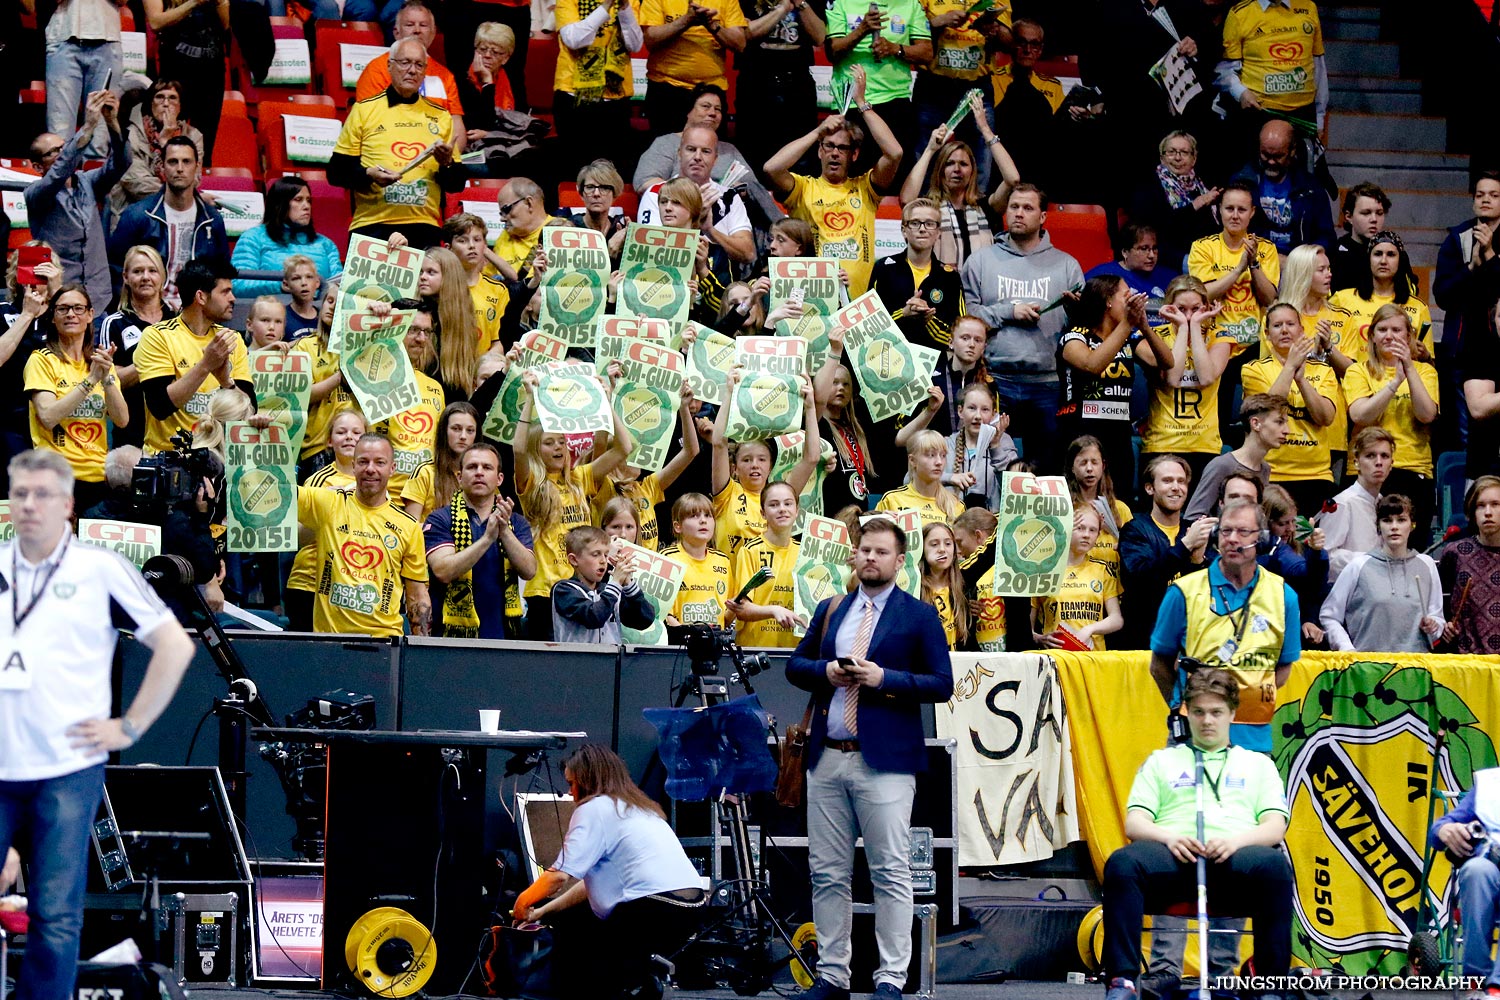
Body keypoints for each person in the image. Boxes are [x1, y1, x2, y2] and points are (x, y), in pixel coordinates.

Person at [0, 449, 194, 1000]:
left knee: (57, 916)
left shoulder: (99, 569)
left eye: (43, 495)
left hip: (67, 764)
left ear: (68, 504)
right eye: (20, 494)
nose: (30, 506)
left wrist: (129, 727)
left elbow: (174, 646)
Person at [786, 516, 953, 1000]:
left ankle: (890, 978)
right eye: (864, 551)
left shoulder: (919, 616)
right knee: (828, 871)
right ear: (853, 555)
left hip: (886, 762)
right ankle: (833, 975)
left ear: (900, 562)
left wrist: (885, 679)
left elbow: (941, 684)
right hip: (828, 757)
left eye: (881, 552)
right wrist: (827, 672)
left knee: (890, 870)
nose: (870, 559)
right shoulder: (831, 608)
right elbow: (796, 666)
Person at [1099, 669, 1292, 1000]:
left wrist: (1236, 841)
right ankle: (1123, 982)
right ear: (1186, 711)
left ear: (1233, 713)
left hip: (1234, 859)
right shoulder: (1161, 761)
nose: (1207, 721)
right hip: (1176, 859)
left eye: (1216, 712)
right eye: (1198, 712)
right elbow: (1135, 823)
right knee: (1122, 863)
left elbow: (1275, 826)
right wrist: (1169, 837)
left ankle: (1270, 984)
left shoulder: (1258, 765)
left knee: (1275, 866)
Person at [512, 745, 705, 1000]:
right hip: (691, 907)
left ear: (588, 780)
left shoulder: (594, 809)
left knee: (577, 948)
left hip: (650, 908)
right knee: (585, 926)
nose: (570, 792)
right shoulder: (639, 807)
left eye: (572, 783)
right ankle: (639, 980)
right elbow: (590, 885)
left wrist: (523, 902)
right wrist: (545, 911)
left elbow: (558, 877)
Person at [1150, 498, 1302, 752]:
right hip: (1192, 740)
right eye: (1226, 531)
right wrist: (1188, 706)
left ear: (1262, 539)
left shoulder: (1284, 595)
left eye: (1243, 532)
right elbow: (1159, 665)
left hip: (1254, 741)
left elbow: (1284, 668)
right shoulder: (1184, 592)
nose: (1232, 539)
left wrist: (1243, 695)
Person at [961, 183, 1086, 469]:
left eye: (1028, 208)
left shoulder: (1066, 265)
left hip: (1047, 383)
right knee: (986, 465)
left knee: (1045, 468)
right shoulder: (980, 261)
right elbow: (967, 317)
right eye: (1014, 207)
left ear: (1043, 217)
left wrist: (1075, 313)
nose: (1018, 213)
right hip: (993, 379)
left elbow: (1081, 329)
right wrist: (1009, 312)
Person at [764, 67, 904, 296]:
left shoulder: (865, 188)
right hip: (809, 297)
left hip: (856, 304)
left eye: (842, 148)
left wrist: (862, 103)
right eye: (828, 146)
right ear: (820, 151)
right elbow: (772, 168)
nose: (835, 153)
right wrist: (817, 132)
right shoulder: (803, 188)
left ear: (854, 154)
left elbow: (895, 153)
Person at [515, 371, 632, 638]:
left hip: (584, 588)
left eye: (562, 441)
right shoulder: (532, 483)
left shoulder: (581, 477)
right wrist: (530, 400)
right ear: (537, 449)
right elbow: (518, 450)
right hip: (546, 593)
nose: (558, 447)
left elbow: (624, 448)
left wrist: (606, 401)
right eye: (549, 442)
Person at [330, 38, 465, 249]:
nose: (412, 70)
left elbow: (456, 183)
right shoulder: (364, 110)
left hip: (424, 228)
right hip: (372, 226)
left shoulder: (441, 117)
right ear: (389, 66)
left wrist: (447, 163)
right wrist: (368, 175)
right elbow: (336, 172)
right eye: (405, 63)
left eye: (419, 65)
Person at [298, 433, 431, 637]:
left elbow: (417, 596)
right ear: (353, 466)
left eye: (380, 462)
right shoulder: (329, 503)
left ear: (392, 468)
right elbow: (276, 490)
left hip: (385, 644)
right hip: (330, 642)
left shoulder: (409, 526)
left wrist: (421, 649)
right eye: (363, 461)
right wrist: (260, 436)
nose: (371, 469)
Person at [24, 284, 128, 511]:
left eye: (78, 308)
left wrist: (106, 377)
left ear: (91, 315)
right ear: (52, 317)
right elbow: (48, 416)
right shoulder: (42, 360)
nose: (71, 314)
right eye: (63, 309)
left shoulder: (100, 362)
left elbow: (121, 420)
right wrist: (91, 381)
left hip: (98, 478)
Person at [135, 257, 253, 455]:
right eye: (225, 292)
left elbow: (250, 409)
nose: (233, 298)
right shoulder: (158, 336)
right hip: (168, 457)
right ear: (201, 297)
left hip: (220, 457)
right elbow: (160, 407)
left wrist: (226, 381)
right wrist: (205, 366)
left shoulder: (232, 340)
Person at [1057, 275, 1165, 488]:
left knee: (1120, 504)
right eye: (1126, 295)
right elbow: (1092, 365)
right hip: (1080, 431)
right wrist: (1127, 323)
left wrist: (1143, 326)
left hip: (1119, 435)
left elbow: (1163, 361)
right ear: (1108, 301)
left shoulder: (1129, 339)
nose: (1132, 300)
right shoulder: (1075, 337)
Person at [26, 90, 128, 313]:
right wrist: (88, 126)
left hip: (98, 298)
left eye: (65, 147)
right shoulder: (36, 193)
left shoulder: (88, 181)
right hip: (57, 299)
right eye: (55, 151)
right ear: (36, 166)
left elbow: (122, 162)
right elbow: (59, 170)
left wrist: (112, 123)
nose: (65, 153)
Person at [1342, 304, 1439, 540]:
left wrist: (1408, 369)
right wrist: (1394, 383)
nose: (1389, 336)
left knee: (1410, 549)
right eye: (1382, 329)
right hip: (1366, 472)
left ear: (1409, 336)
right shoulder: (1357, 371)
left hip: (1413, 469)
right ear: (1372, 336)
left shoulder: (1425, 371)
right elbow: (1361, 415)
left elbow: (1426, 414)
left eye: (1396, 330)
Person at [1239, 302, 1341, 514]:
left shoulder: (1324, 371)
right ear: (1267, 333)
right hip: (1271, 473)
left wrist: (1302, 381)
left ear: (1302, 330)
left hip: (1317, 475)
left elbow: (1326, 417)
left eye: (1290, 324)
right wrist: (1290, 367)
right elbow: (1266, 410)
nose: (1284, 330)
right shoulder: (1253, 369)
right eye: (1277, 326)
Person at [634, 86, 783, 226]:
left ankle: (783, 231)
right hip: (679, 217)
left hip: (729, 215)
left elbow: (753, 188)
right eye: (706, 106)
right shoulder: (666, 143)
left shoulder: (729, 149)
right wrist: (693, 198)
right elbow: (646, 183)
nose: (712, 113)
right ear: (689, 111)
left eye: (718, 109)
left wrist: (736, 191)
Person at [1135, 276, 1232, 488]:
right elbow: (1172, 377)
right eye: (1181, 309)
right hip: (1162, 444)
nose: (1188, 316)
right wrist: (1183, 330)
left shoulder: (1220, 337)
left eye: (1196, 308)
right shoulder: (1152, 338)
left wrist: (1195, 328)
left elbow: (1206, 377)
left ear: (1206, 306)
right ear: (1169, 307)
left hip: (1205, 445)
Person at [109, 137, 229, 307]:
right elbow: (116, 268)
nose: (180, 169)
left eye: (186, 162)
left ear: (197, 166)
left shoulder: (212, 219)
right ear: (162, 167)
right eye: (173, 162)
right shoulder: (137, 216)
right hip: (148, 311)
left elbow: (222, 273)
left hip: (196, 312)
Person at [711, 373, 820, 553]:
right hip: (731, 580)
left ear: (770, 467)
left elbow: (811, 458)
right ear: (734, 468)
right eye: (747, 460)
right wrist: (729, 393)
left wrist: (810, 408)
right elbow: (718, 443)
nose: (755, 465)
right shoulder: (727, 493)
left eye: (762, 459)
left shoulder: (779, 494)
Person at [1320, 494, 1443, 652]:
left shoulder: (1426, 565)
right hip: (1368, 668)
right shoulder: (1358, 566)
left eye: (1401, 520)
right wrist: (1347, 650)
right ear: (1378, 526)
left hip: (1416, 667)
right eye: (1387, 520)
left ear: (1412, 525)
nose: (1394, 527)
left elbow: (1437, 619)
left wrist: (1434, 626)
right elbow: (1329, 615)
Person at [898, 111, 1018, 270]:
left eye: (963, 164)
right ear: (940, 170)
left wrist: (985, 130)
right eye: (949, 163)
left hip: (981, 290)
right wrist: (930, 150)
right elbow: (906, 199)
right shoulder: (929, 209)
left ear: (972, 171)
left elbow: (1012, 179)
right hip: (941, 290)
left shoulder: (986, 206)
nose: (957, 169)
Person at [1119, 454, 1215, 650]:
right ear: (1149, 488)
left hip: (1187, 641)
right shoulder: (1135, 530)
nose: (1176, 487)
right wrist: (1186, 545)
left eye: (1181, 481)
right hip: (1143, 642)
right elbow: (1142, 579)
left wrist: (1198, 562)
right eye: (1167, 480)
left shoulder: (1193, 530)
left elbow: (1205, 594)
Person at [285, 409, 367, 631]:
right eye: (341, 432)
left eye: (356, 432)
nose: (349, 437)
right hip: (309, 585)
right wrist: (329, 506)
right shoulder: (319, 480)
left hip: (351, 589)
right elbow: (298, 538)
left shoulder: (374, 484)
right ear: (329, 441)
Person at [592, 380, 699, 551]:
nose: (640, 456)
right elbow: (599, 446)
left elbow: (690, 451)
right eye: (632, 452)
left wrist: (684, 408)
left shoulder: (647, 486)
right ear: (613, 462)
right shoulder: (602, 488)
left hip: (646, 573)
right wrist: (607, 402)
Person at [825, 0, 931, 170]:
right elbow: (833, 51)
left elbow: (926, 52)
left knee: (896, 176)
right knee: (851, 176)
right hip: (851, 105)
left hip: (895, 103)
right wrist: (862, 29)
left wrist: (895, 48)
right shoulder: (842, 2)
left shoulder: (910, 4)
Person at [1440, 171, 1500, 466]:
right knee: (1468, 434)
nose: (1486, 199)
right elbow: (1443, 294)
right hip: (1466, 348)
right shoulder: (1457, 238)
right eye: (1480, 195)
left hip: (1498, 344)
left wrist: (1490, 257)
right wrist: (1472, 268)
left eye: (1494, 195)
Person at [637, 125, 756, 268]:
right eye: (691, 149)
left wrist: (710, 230)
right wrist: (694, 221)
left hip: (721, 284)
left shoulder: (729, 197)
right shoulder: (656, 192)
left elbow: (748, 254)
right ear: (680, 153)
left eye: (706, 151)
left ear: (715, 159)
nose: (698, 157)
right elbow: (651, 250)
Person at [733, 0, 826, 180]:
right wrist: (783, 9)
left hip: (798, 85)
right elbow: (745, 33)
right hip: (756, 83)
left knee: (800, 160)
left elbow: (820, 36)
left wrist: (799, 3)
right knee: (753, 158)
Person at [1427, 761, 1500, 992]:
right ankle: (1475, 982)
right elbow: (1439, 830)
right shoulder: (1492, 785)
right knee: (1476, 870)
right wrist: (1445, 830)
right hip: (1490, 876)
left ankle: (1496, 987)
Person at [1214, 0, 1327, 147]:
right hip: (1259, 113)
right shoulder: (1240, 13)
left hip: (1303, 114)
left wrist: (1319, 117)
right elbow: (1224, 71)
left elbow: (1318, 67)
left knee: (1310, 169)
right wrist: (1241, 93)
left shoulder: (1308, 7)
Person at [355, 1, 468, 144]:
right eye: (409, 25)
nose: (417, 30)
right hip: (391, 150)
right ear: (396, 32)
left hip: (437, 156)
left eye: (423, 25)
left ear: (433, 33)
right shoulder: (376, 69)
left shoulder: (445, 76)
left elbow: (456, 128)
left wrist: (449, 159)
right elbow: (369, 123)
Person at [1187, 180, 1279, 357]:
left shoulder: (1266, 248)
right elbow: (1203, 295)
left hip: (1254, 345)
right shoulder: (1202, 247)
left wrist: (1253, 265)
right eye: (1229, 208)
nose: (1235, 215)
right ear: (1219, 209)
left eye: (1242, 210)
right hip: (1214, 342)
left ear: (1252, 212)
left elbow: (1268, 298)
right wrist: (1238, 270)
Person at [553, 0, 644, 170]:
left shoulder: (629, 2)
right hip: (574, 97)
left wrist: (624, 8)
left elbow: (635, 44)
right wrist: (606, 6)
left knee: (612, 169)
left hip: (615, 99)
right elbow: (575, 39)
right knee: (573, 167)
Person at [868, 198, 966, 352]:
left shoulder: (950, 277)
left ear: (938, 232)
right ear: (903, 230)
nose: (922, 229)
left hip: (934, 366)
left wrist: (929, 320)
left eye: (929, 223)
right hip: (887, 359)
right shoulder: (883, 269)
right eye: (914, 223)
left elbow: (959, 337)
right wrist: (904, 313)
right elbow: (868, 326)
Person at [99, 246, 172, 450]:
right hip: (131, 434)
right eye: (138, 271)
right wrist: (153, 361)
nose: (145, 277)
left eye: (152, 270)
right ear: (125, 277)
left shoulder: (178, 320)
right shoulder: (114, 323)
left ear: (163, 277)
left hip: (174, 433)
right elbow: (109, 381)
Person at [639, 0, 748, 134]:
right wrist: (686, 20)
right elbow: (650, 40)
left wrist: (712, 24)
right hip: (666, 88)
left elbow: (739, 44)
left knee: (710, 149)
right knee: (665, 149)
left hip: (712, 91)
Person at [1229, 119, 1334, 256]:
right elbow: (1229, 231)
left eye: (1278, 156)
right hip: (1252, 259)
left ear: (1292, 151)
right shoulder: (1242, 183)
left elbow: (1326, 237)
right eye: (1265, 154)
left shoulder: (1311, 188)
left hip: (1298, 263)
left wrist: (1301, 260)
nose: (1271, 161)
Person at [1328, 231, 1434, 364]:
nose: (1383, 261)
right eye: (1378, 254)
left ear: (1400, 260)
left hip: (1402, 382)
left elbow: (1430, 370)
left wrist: (1425, 357)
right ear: (1369, 259)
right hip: (1352, 382)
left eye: (1391, 255)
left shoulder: (1418, 307)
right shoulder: (1342, 299)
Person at [230, 176, 344, 299]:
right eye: (298, 199)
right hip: (269, 312)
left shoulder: (326, 244)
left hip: (319, 313)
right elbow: (238, 285)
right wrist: (281, 286)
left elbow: (339, 287)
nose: (306, 206)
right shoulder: (252, 238)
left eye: (308, 200)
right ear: (280, 205)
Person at [144, 0, 228, 165]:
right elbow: (155, 22)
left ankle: (197, 185)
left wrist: (221, 3)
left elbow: (224, 26)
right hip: (175, 72)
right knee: (169, 138)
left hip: (212, 72)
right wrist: (193, 3)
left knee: (205, 145)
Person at [723, 480, 803, 646]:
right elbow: (742, 609)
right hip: (755, 650)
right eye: (774, 505)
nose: (782, 509)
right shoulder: (750, 551)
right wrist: (774, 610)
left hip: (796, 651)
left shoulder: (806, 554)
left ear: (797, 511)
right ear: (763, 513)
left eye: (788, 503)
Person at [1128, 131, 1220, 273]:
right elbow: (1156, 229)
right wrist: (1194, 206)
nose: (1177, 158)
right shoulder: (1149, 188)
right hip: (1167, 255)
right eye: (1171, 152)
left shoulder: (1202, 185)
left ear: (1194, 159)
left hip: (1204, 252)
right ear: (1162, 158)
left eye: (1184, 152)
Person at [1034, 503, 1123, 650]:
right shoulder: (1044, 571)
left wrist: (1089, 629)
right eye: (1080, 528)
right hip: (1057, 658)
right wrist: (1039, 638)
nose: (1086, 535)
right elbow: (1027, 628)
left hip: (1093, 658)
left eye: (1093, 530)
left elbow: (1116, 619)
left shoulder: (1102, 569)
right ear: (1067, 528)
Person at [989, 19, 1064, 193]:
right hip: (1000, 166)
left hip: (1040, 166)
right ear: (1010, 44)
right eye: (1021, 42)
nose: (1027, 50)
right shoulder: (992, 79)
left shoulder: (1053, 86)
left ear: (1041, 50)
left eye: (1034, 44)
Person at [1184, 392, 1286, 520]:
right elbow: (1193, 516)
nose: (1287, 430)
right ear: (1255, 423)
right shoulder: (1222, 465)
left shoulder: (1265, 468)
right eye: (1279, 422)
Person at [43, 0, 122, 158]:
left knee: (100, 136)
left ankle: (93, 181)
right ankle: (60, 182)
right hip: (64, 38)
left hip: (107, 40)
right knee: (60, 135)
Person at [114, 80, 205, 215]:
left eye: (172, 98)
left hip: (178, 210)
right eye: (160, 97)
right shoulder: (130, 135)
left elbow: (194, 179)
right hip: (134, 209)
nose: (166, 104)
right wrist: (182, 196)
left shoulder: (194, 136)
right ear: (151, 104)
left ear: (180, 106)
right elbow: (137, 184)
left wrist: (166, 143)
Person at [551, 526, 653, 643]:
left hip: (612, 661)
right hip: (577, 660)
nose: (603, 561)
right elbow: (594, 617)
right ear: (574, 560)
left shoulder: (610, 591)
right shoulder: (563, 590)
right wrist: (615, 583)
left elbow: (645, 620)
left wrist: (629, 585)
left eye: (606, 555)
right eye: (595, 554)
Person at [1321, 426, 1393, 584]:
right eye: (1370, 456)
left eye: (1385, 456)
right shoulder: (1342, 503)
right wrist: (1370, 560)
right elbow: (1327, 556)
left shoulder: (1383, 503)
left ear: (1391, 464)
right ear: (1356, 462)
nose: (1379, 462)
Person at [1440, 476, 1500, 654]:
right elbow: (1439, 604)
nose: (1487, 512)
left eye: (1495, 504)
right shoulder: (1455, 553)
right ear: (1471, 512)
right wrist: (1445, 625)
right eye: (1480, 505)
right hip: (1467, 663)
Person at [660, 492, 737, 625]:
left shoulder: (723, 561)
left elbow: (726, 617)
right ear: (678, 526)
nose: (703, 520)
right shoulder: (667, 558)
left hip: (715, 642)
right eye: (694, 516)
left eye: (708, 515)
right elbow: (662, 613)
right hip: (680, 643)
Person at [1276, 243, 1352, 375]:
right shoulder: (1276, 318)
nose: (1329, 274)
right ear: (1302, 274)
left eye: (1328, 269)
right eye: (1321, 269)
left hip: (1333, 394)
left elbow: (1352, 373)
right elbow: (1270, 368)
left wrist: (1329, 347)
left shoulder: (1343, 316)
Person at [1086, 224, 1181, 328]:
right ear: (1125, 252)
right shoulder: (1102, 275)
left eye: (1154, 248)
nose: (1151, 255)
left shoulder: (1170, 277)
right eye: (1144, 249)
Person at [1066, 434, 1132, 571]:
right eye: (1083, 463)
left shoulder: (1121, 509)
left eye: (1094, 462)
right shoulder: (1064, 508)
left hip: (1113, 586)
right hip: (1074, 587)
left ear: (1103, 466)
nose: (1089, 468)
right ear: (1072, 467)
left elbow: (1135, 553)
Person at [876, 430, 964, 526]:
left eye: (943, 455)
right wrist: (882, 526)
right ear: (912, 460)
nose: (939, 462)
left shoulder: (957, 506)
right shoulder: (892, 500)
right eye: (931, 455)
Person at [491, 178, 568, 278]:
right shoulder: (505, 235)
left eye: (506, 209)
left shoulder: (562, 232)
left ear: (529, 203)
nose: (502, 218)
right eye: (501, 213)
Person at [456, 22, 516, 145]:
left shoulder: (512, 82)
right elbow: (478, 127)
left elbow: (517, 123)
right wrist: (487, 83)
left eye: (495, 52)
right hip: (471, 147)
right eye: (482, 50)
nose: (487, 55)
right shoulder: (461, 81)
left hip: (503, 143)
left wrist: (490, 135)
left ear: (506, 58)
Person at [566, 160, 631, 264]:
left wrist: (630, 243)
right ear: (581, 194)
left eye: (604, 188)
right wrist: (608, 253)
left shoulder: (619, 231)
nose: (596, 193)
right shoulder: (569, 229)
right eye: (590, 187)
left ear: (614, 194)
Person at [1331, 181, 1391, 292]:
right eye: (1366, 213)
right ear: (1349, 216)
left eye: (1379, 213)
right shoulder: (1334, 254)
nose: (1374, 219)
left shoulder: (1394, 253)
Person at [919, 520, 968, 649]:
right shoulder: (913, 589)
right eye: (934, 544)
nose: (942, 549)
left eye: (948, 544)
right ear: (921, 549)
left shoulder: (963, 586)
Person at [280, 257, 323, 342]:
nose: (304, 283)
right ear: (286, 285)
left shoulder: (324, 318)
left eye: (309, 277)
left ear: (317, 282)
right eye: (296, 278)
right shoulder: (281, 317)